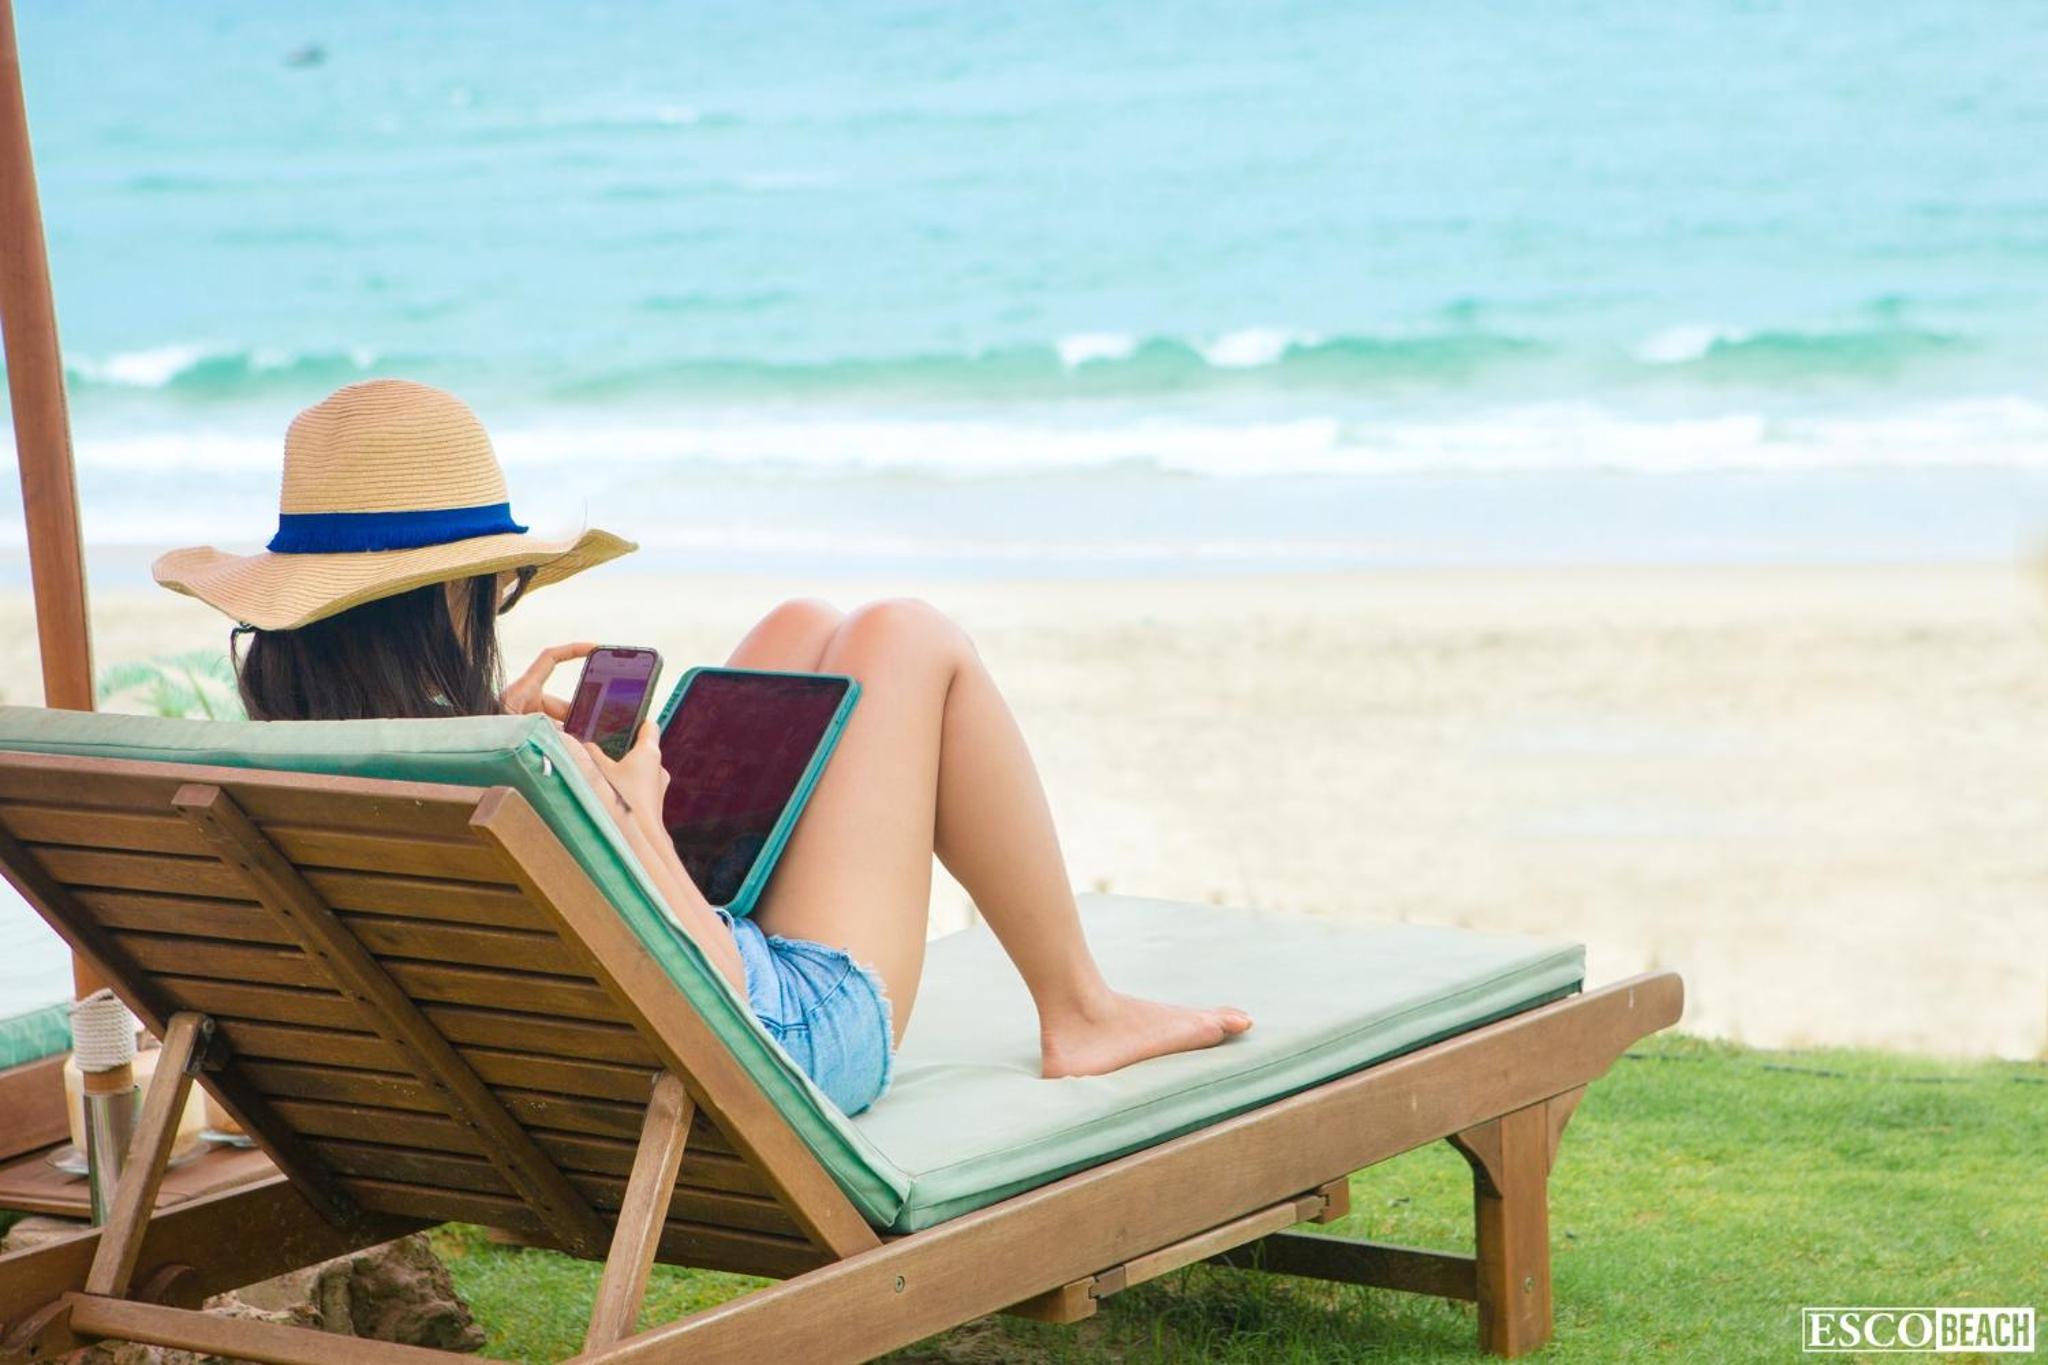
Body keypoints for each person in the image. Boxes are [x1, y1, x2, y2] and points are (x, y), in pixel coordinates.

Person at [155, 379, 1250, 1115]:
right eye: (500, 583)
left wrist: (532, 758)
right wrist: (632, 811)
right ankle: (1082, 1010)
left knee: (800, 630)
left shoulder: (293, 768)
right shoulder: (498, 768)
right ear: (459, 594)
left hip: (538, 1064)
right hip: (758, 1047)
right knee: (907, 636)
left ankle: (1079, 1002)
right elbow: (717, 989)